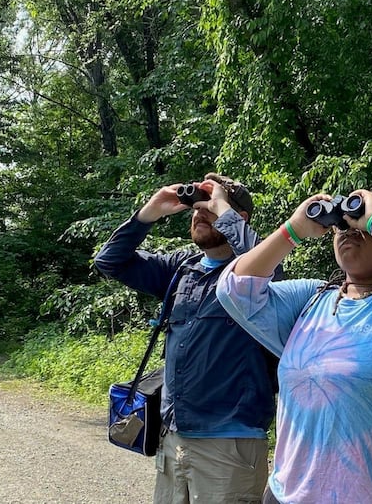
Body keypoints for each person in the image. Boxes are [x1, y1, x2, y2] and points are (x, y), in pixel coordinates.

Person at [216, 189, 372, 503]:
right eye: (342, 227)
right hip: (292, 494)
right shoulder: (311, 299)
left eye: (361, 227)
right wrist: (293, 229)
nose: (347, 232)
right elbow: (235, 290)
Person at [94, 173, 282, 504]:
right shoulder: (182, 268)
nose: (198, 214)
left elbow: (271, 265)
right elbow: (109, 261)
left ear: (236, 217)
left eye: (208, 209)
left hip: (230, 444)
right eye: (195, 209)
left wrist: (222, 208)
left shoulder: (255, 276)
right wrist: (148, 213)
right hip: (173, 437)